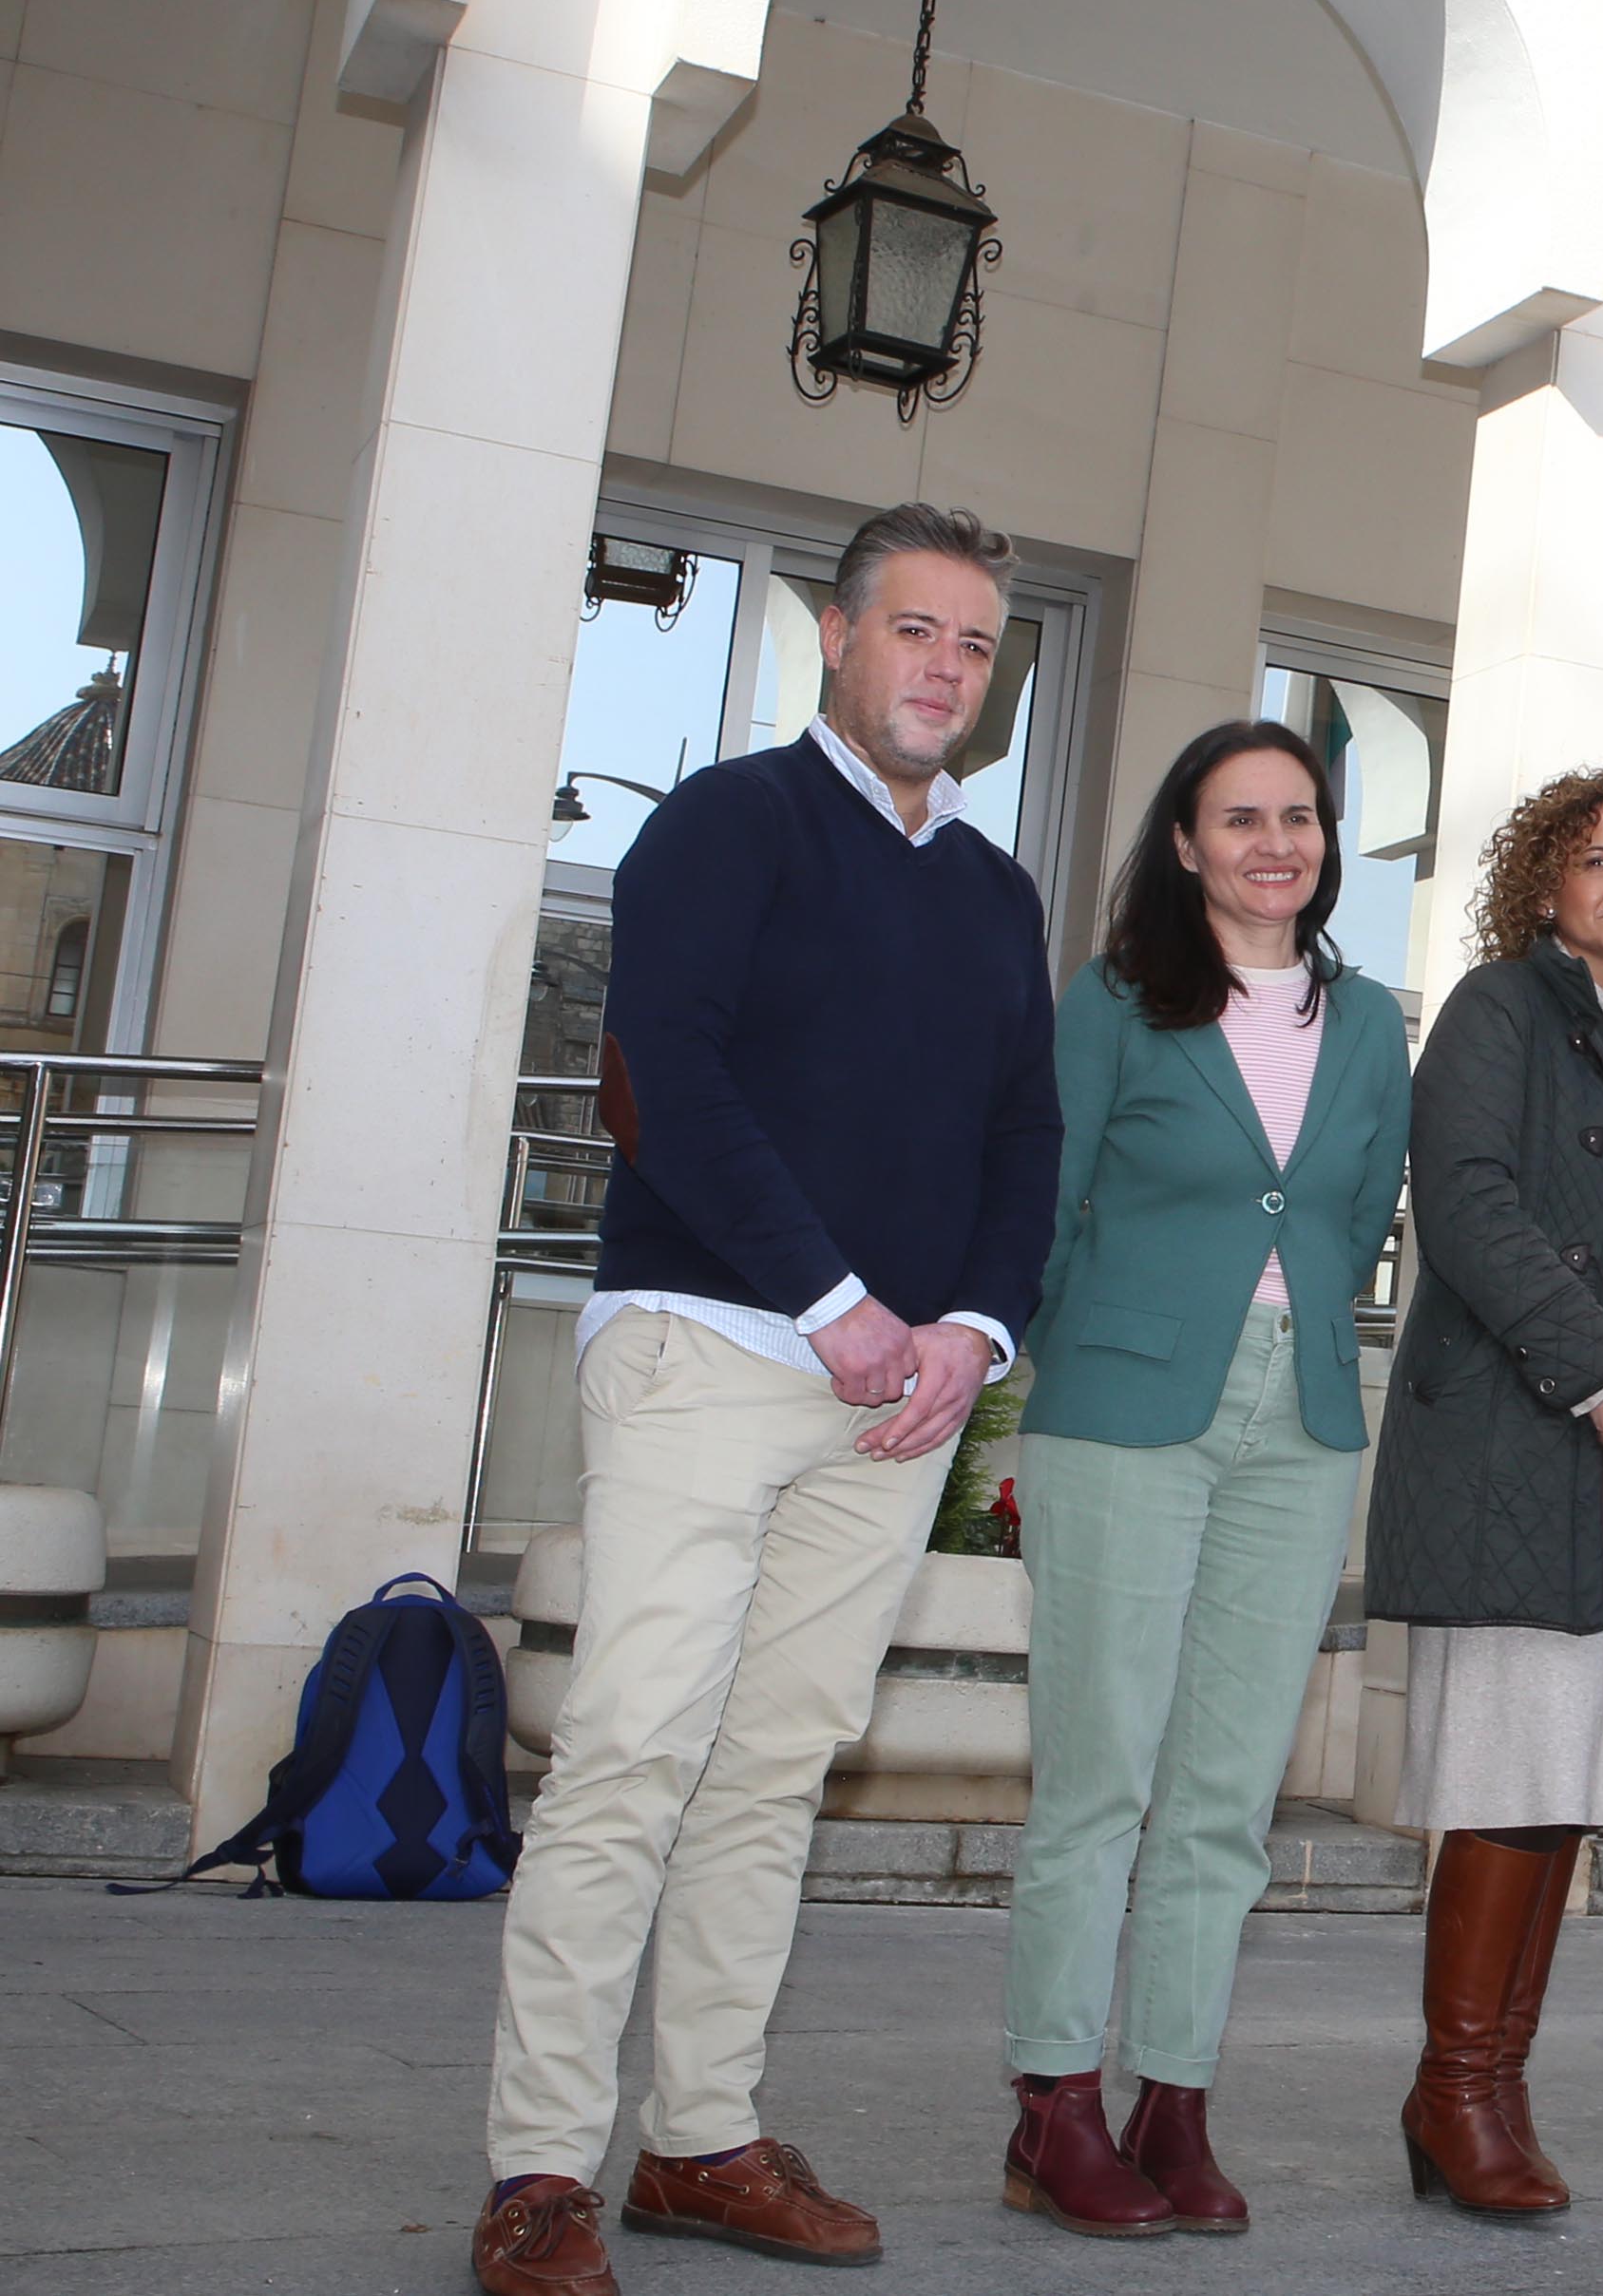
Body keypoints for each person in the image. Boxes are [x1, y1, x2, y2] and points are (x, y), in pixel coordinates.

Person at [473, 504, 1061, 2296]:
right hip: (712, 1348)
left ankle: (703, 2135)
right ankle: (536, 2172)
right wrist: (837, 1304)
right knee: (634, 1749)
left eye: (974, 644)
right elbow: (671, 1067)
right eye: (916, 632)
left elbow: (1023, 1138)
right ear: (837, 633)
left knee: (774, 1767)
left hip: (897, 1400)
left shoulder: (993, 889)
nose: (946, 669)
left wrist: (968, 1332)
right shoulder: (730, 822)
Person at [993, 720, 1409, 2237]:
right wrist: (1038, 1377)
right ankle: (1054, 2101)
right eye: (1241, 818)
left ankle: (1174, 2097)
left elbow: (1355, 1206)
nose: (1275, 843)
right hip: (1121, 1406)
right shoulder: (1113, 1003)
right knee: (1100, 1774)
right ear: (1185, 844)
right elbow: (1044, 1196)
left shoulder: (1367, 1023)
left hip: (1297, 1420)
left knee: (1228, 1795)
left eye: (1300, 817)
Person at [1361, 768, 1603, 2217]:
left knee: (1570, 1788)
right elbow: (1465, 1203)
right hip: (1525, 1445)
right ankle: (1456, 2089)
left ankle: (1487, 2088)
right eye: (1595, 860)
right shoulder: (1498, 1013)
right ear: (1546, 885)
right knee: (1514, 1777)